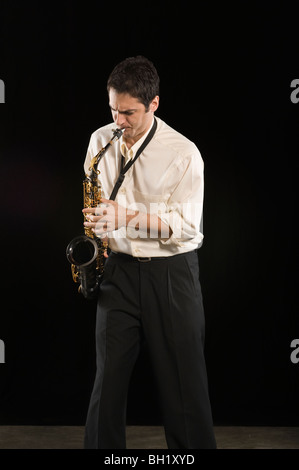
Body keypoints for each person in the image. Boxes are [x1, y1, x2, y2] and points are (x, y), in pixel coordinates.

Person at [82, 55, 216, 449]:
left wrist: (126, 217)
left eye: (129, 113)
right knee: (106, 387)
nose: (118, 122)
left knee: (184, 389)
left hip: (171, 276)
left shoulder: (183, 152)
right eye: (113, 110)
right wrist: (101, 225)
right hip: (118, 271)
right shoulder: (99, 140)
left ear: (153, 104)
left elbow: (189, 227)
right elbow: (98, 200)